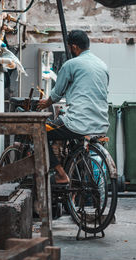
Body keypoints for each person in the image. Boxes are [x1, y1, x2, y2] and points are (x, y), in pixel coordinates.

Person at [37, 30, 109, 184]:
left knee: (39, 133)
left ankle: (61, 174)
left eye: (70, 47)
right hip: (100, 123)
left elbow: (57, 93)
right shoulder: (102, 65)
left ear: (74, 47)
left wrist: (45, 103)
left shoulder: (71, 64)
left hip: (78, 122)